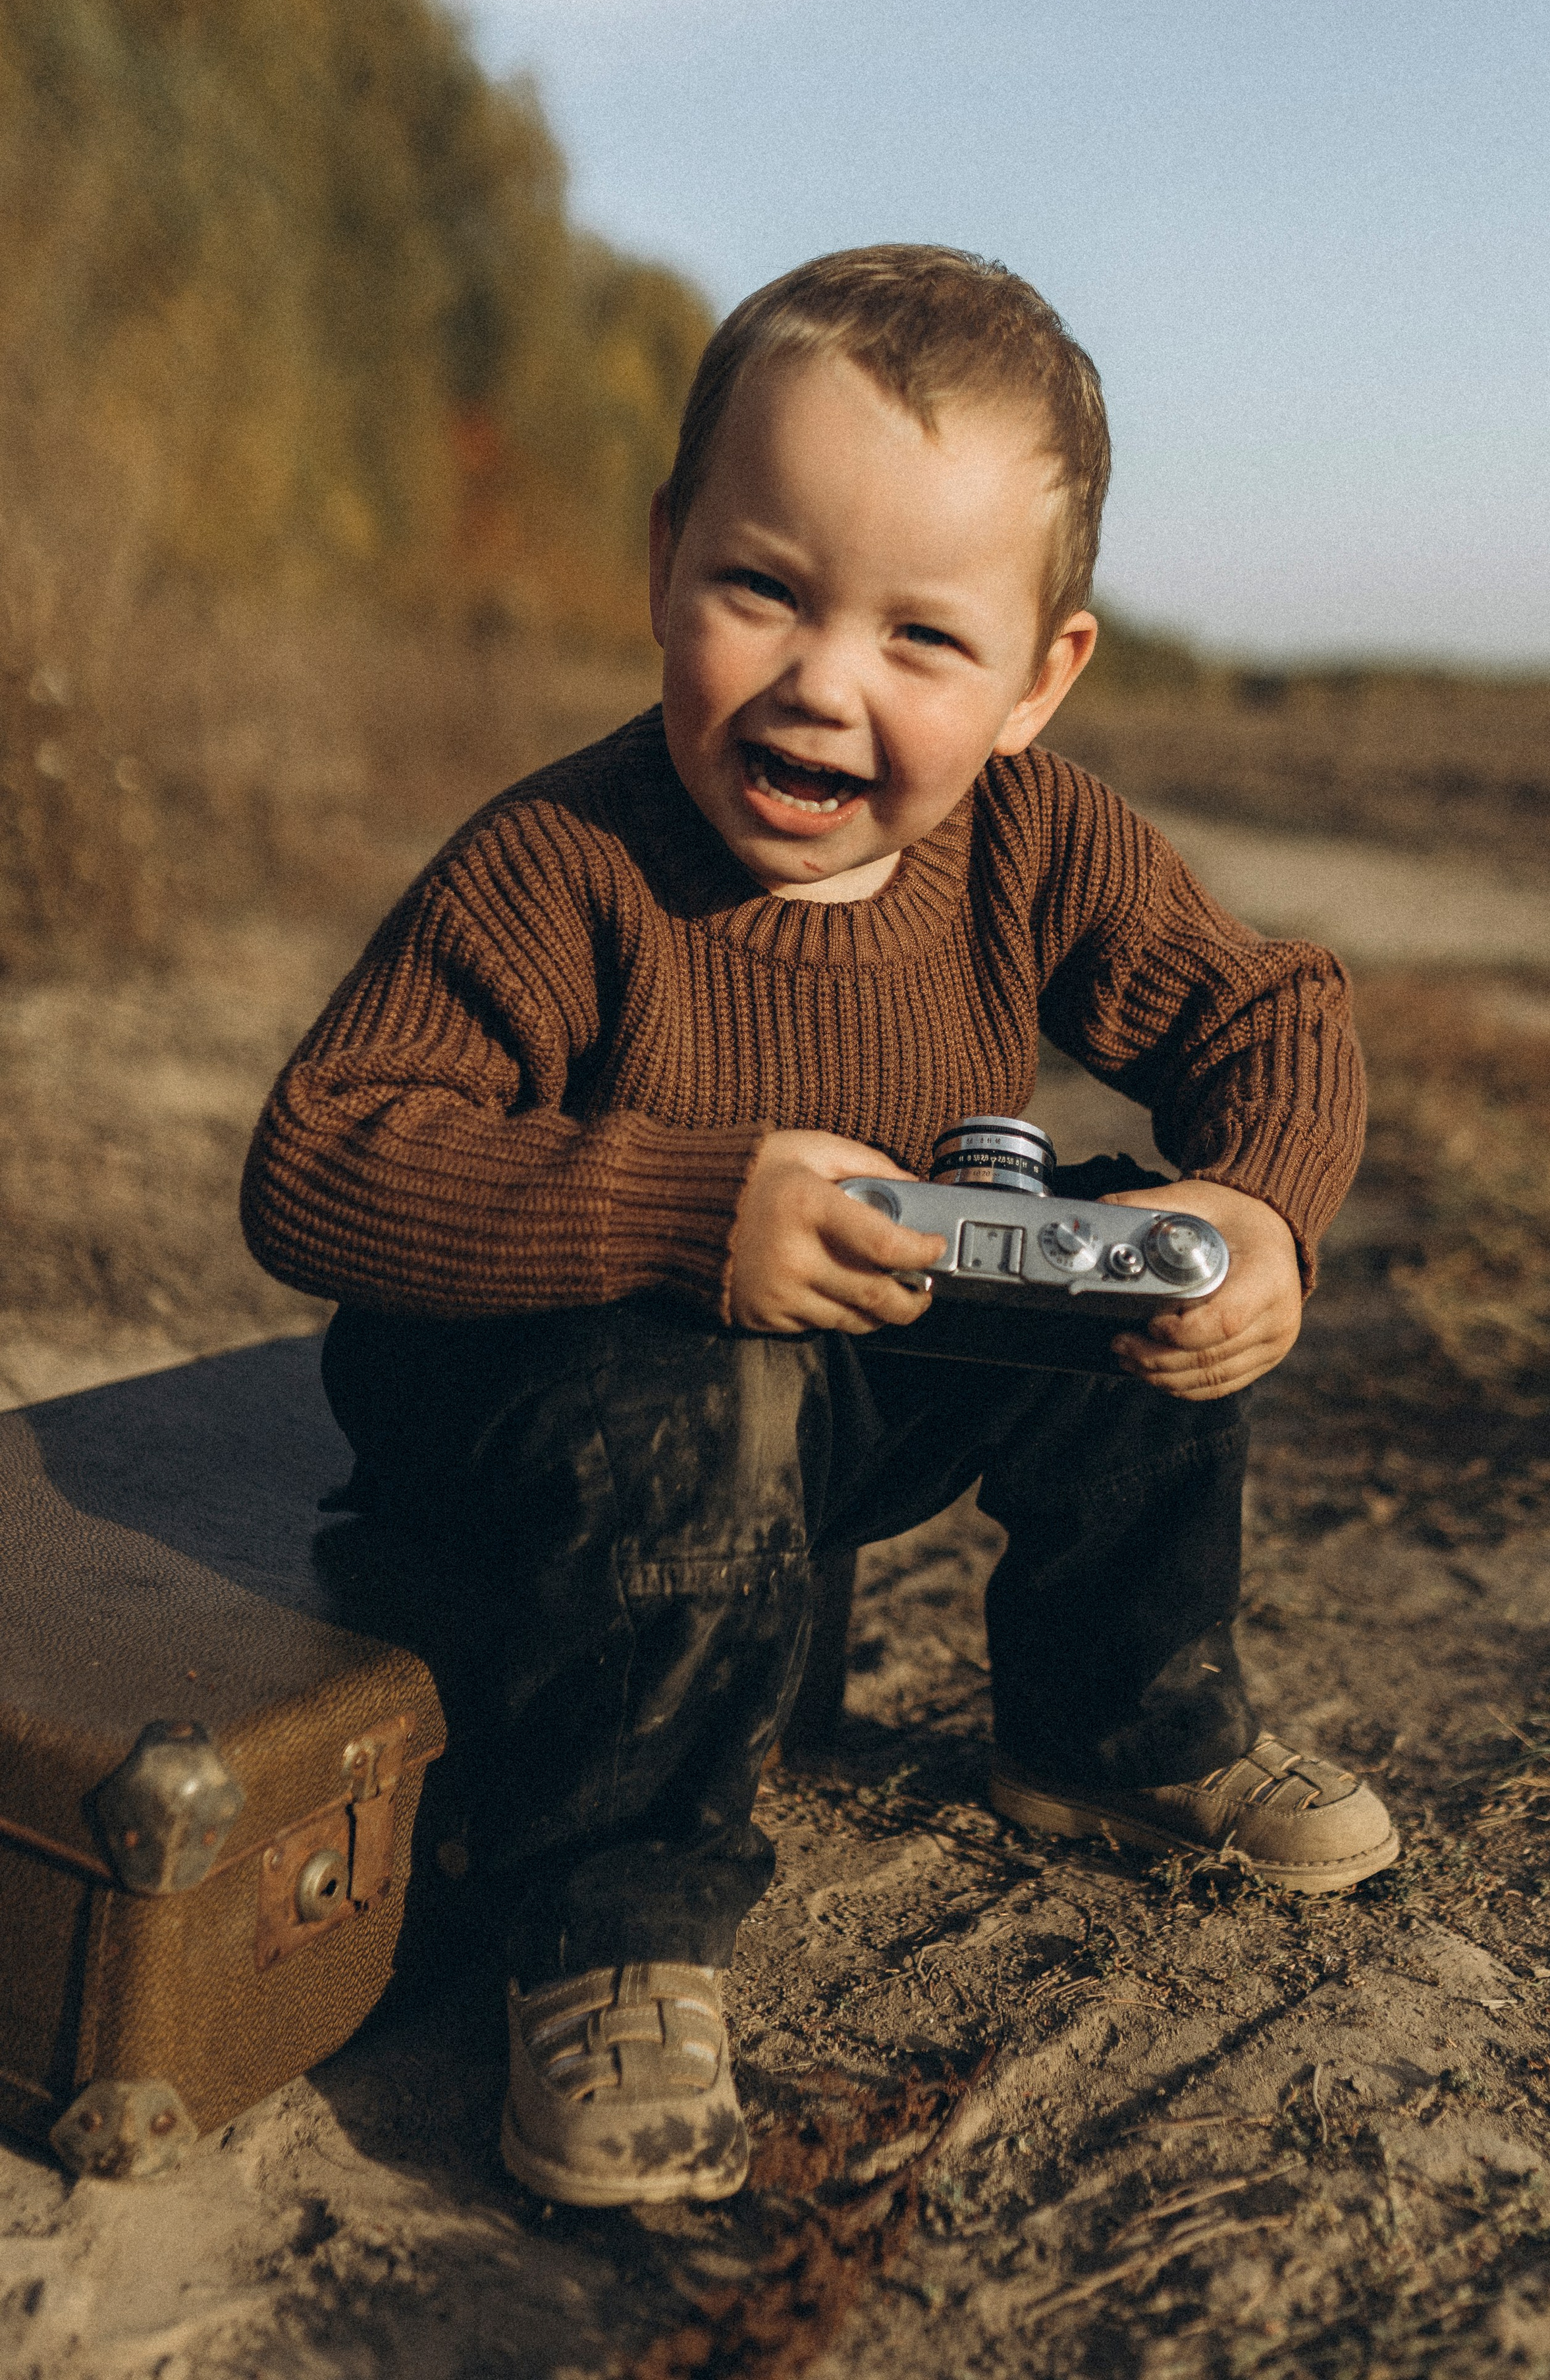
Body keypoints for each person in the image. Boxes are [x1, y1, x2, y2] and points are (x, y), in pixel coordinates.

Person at [242, 244, 1393, 2212]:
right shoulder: (563, 862)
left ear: (1041, 677)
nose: (821, 681)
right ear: (668, 557)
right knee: (689, 1376)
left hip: (843, 1389)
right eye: (762, 588)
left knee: (1131, 1251)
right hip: (540, 1429)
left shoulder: (1036, 843)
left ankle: (1116, 1718)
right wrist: (688, 1206)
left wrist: (1257, 1213)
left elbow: (1271, 1013)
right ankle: (610, 1925)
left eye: (922, 640)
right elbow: (326, 1158)